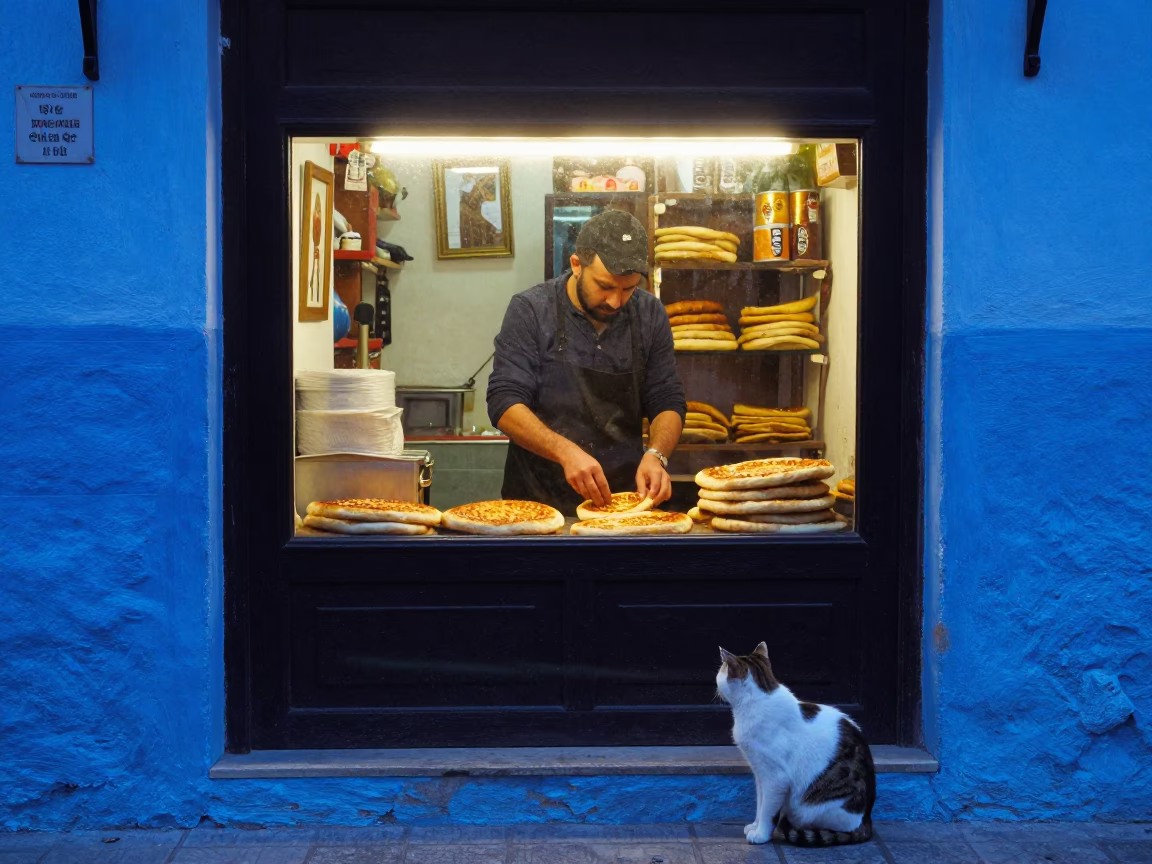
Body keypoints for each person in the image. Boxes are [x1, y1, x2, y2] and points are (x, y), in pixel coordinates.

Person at [486, 210, 686, 515]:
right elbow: (504, 403)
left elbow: (666, 398)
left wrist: (657, 455)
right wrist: (565, 452)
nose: (615, 301)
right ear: (576, 265)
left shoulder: (650, 314)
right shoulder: (532, 310)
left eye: (628, 289)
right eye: (605, 286)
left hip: (622, 504)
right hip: (536, 501)